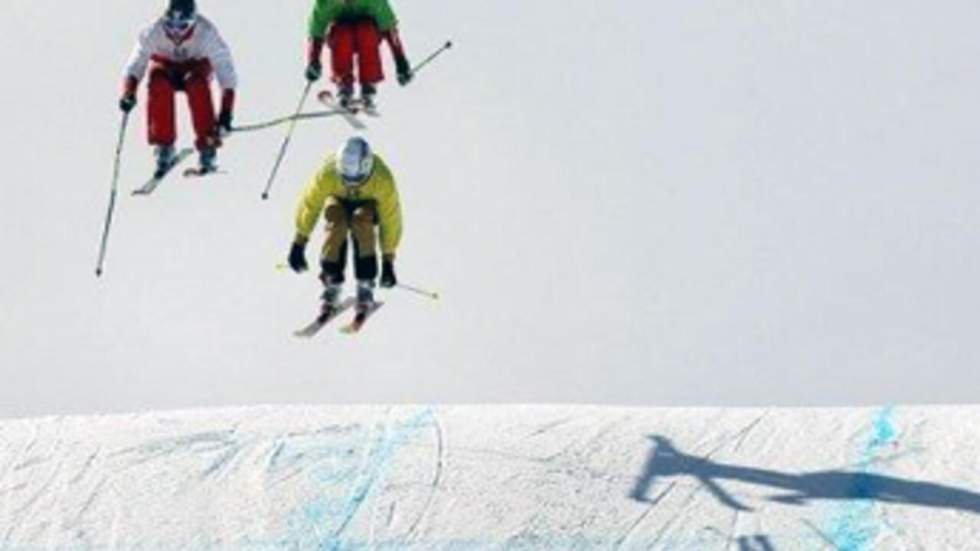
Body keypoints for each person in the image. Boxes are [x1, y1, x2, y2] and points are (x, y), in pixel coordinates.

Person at [119, 0, 237, 175]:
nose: (175, 33)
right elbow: (135, 64)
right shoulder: (153, 32)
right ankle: (164, 145)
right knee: (158, 80)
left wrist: (226, 113)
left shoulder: (206, 33)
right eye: (170, 25)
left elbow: (226, 73)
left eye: (182, 26)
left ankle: (207, 145)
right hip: (167, 67)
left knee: (196, 83)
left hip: (196, 66)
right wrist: (129, 92)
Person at [288, 136, 402, 316]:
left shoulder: (382, 180)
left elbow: (391, 218)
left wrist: (388, 260)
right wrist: (299, 242)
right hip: (338, 201)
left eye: (356, 177)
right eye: (346, 175)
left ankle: (365, 284)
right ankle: (332, 282)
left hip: (367, 205)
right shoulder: (328, 173)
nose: (351, 183)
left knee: (361, 220)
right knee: (336, 221)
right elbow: (310, 204)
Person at [305, 0, 413, 109]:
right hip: (341, 36)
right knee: (343, 33)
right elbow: (316, 32)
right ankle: (344, 84)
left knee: (366, 31)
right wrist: (313, 61)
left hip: (367, 35)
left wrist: (400, 61)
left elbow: (389, 28)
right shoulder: (326, 2)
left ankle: (368, 85)